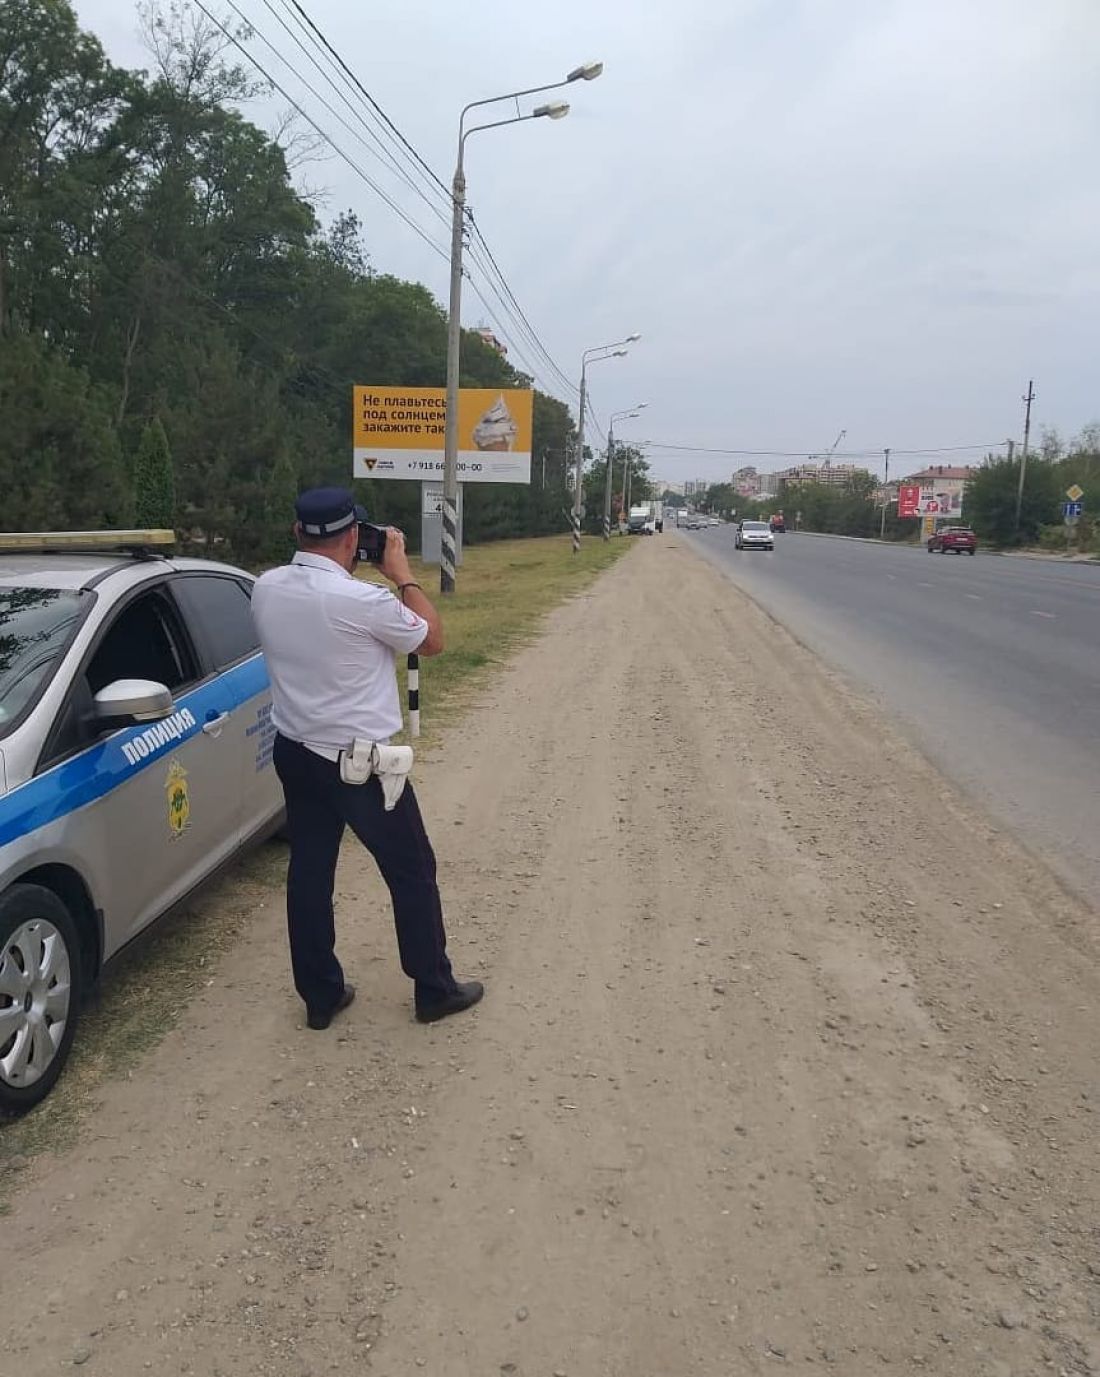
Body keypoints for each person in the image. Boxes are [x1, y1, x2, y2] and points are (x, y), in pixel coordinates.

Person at [251, 487, 484, 1030]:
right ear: (354, 537)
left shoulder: (265, 588)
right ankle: (434, 988)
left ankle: (320, 994)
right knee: (412, 869)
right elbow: (432, 640)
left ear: (297, 533)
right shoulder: (366, 601)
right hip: (362, 765)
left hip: (295, 750)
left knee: (310, 870)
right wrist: (401, 573)